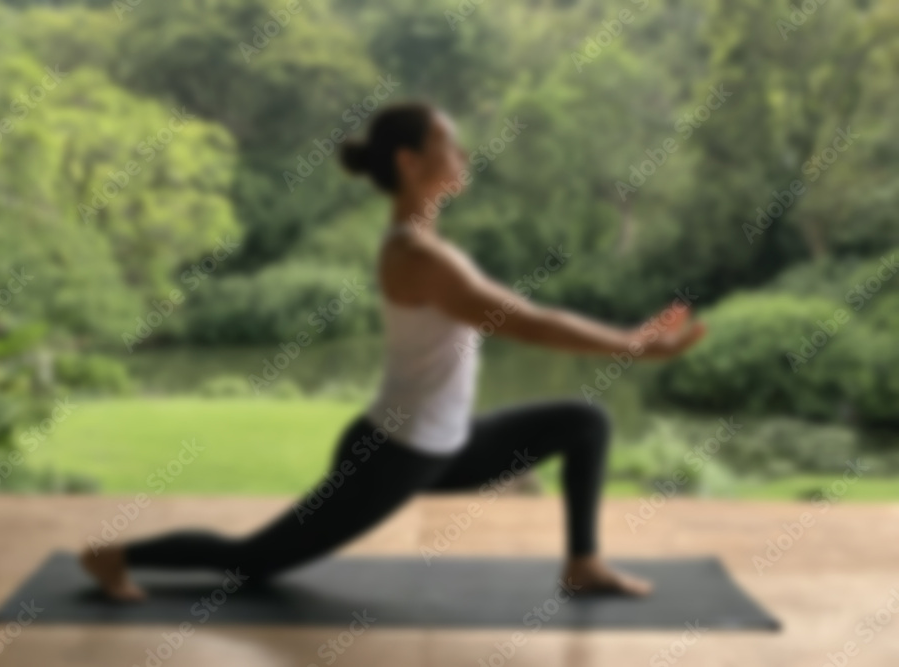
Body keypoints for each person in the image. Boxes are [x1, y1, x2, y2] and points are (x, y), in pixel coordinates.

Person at [81, 101, 706, 601]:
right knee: (255, 563)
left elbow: (525, 317)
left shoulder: (431, 245)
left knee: (585, 423)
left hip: (446, 445)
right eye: (449, 144)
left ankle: (583, 565)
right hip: (396, 453)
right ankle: (113, 556)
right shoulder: (417, 255)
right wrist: (630, 344)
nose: (463, 155)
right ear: (410, 162)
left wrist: (630, 341)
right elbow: (528, 323)